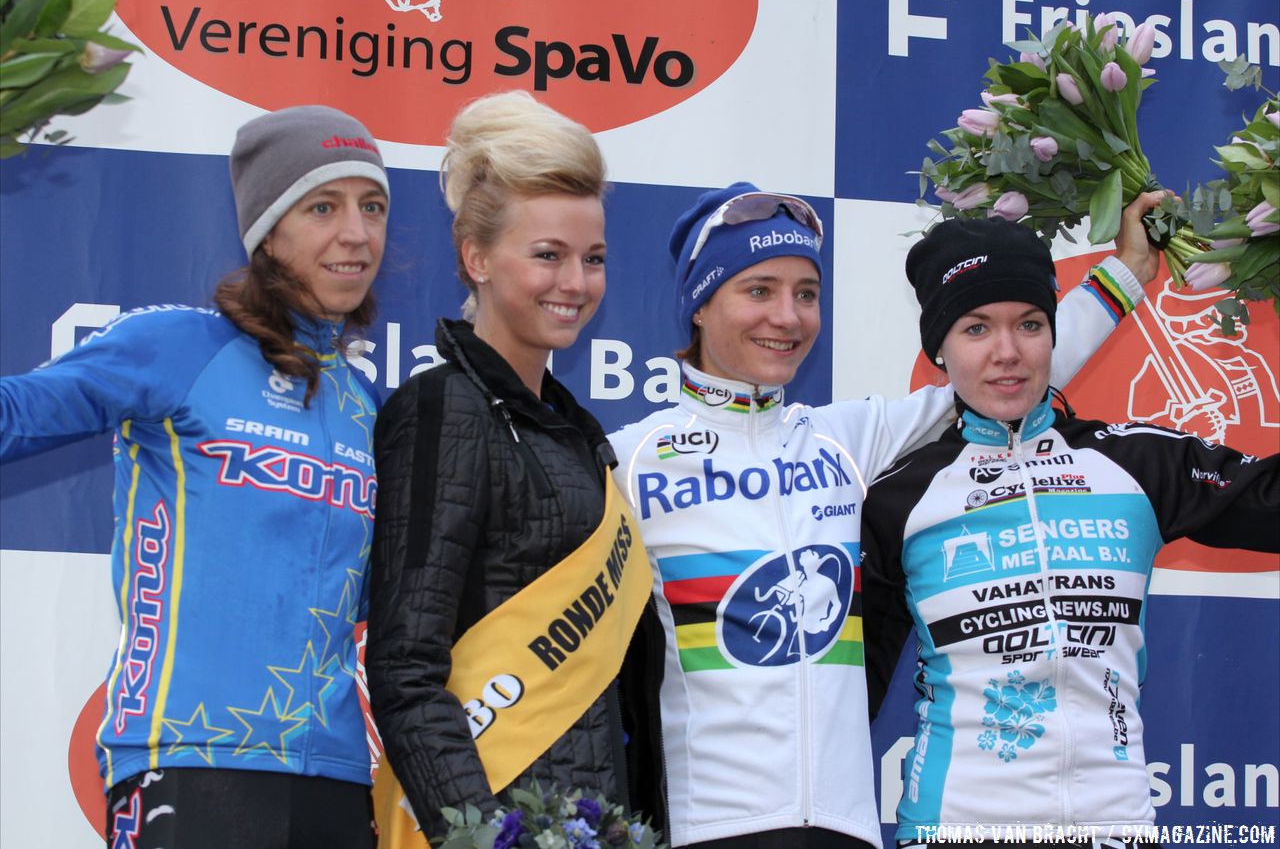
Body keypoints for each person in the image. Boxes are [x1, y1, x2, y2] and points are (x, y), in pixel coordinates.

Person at [607, 183, 1169, 848]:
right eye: (758, 290)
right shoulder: (629, 462)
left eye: (807, 293)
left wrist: (1127, 273)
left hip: (848, 830)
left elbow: (1010, 368)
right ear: (699, 305)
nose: (787, 316)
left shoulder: (845, 440)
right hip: (709, 828)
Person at [0, 105, 389, 846]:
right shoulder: (181, 346)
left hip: (336, 774)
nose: (357, 233)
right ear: (268, 230)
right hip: (187, 757)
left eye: (372, 207)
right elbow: (16, 414)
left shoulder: (370, 406)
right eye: (323, 206)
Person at [860, 217, 1279, 847]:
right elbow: (844, 692)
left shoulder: (1134, 462)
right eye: (977, 328)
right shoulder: (900, 497)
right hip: (954, 830)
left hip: (1116, 826)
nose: (1008, 352)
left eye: (1030, 324)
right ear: (939, 348)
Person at [365, 90, 663, 845]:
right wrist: (486, 835)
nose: (576, 281)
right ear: (476, 257)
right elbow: (405, 668)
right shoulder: (443, 409)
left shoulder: (576, 434)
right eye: (547, 255)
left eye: (593, 258)